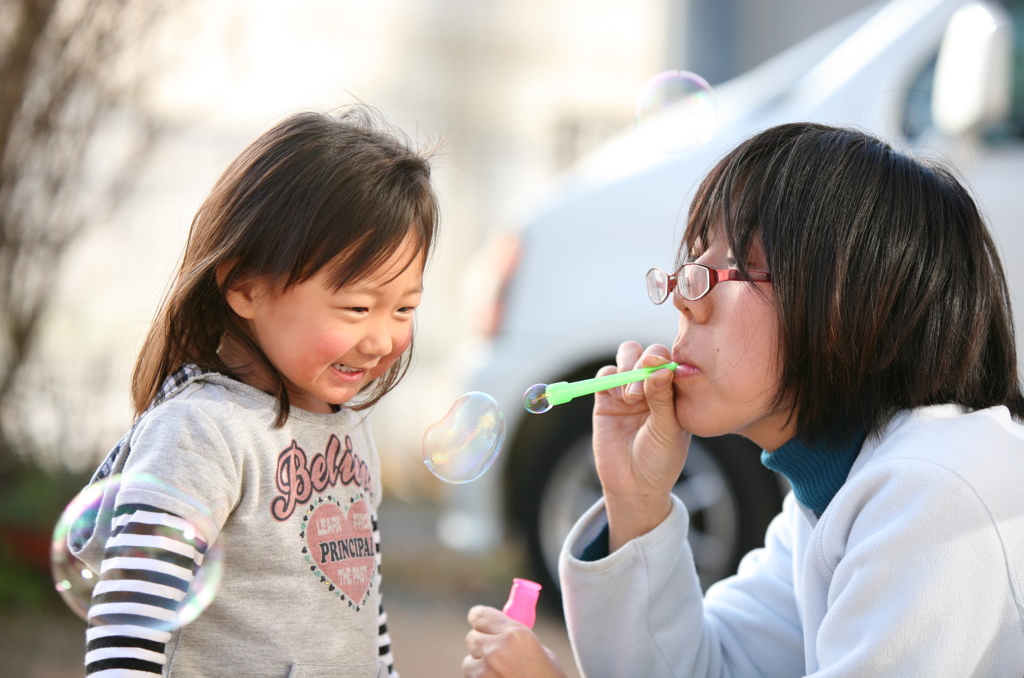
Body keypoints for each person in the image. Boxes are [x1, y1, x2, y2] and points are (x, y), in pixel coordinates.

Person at [463, 122, 1024, 677]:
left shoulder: (936, 491)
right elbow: (707, 671)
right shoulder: (828, 500)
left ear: (861, 309)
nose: (687, 297)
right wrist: (635, 502)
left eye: (732, 264)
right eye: (695, 256)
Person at [70, 106, 440, 677]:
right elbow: (128, 631)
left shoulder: (349, 425)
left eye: (405, 308)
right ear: (245, 286)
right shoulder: (200, 432)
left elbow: (364, 611)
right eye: (358, 307)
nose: (382, 339)